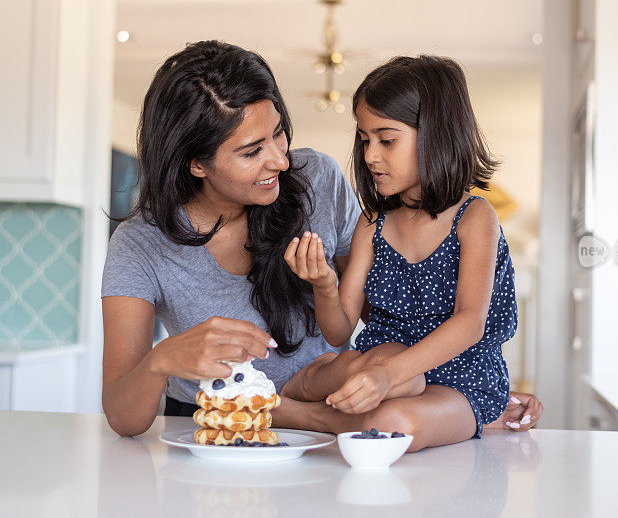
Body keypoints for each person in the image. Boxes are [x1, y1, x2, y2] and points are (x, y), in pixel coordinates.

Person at [100, 40, 540, 439]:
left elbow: (389, 314)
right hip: (218, 428)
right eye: (252, 151)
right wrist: (163, 359)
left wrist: (466, 399)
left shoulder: (318, 179)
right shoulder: (140, 244)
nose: (279, 158)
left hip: (338, 407)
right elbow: (124, 418)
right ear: (196, 164)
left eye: (278, 132)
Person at [282, 56, 540, 451]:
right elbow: (338, 331)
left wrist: (387, 377)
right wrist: (324, 285)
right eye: (365, 140)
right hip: (386, 365)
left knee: (389, 422)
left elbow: (470, 322)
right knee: (380, 368)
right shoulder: (373, 222)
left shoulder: (475, 218)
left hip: (459, 379)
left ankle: (304, 414)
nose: (370, 156)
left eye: (386, 140)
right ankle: (325, 389)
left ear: (436, 135)